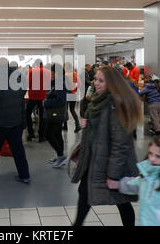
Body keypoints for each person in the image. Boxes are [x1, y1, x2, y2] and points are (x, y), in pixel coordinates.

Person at [71, 66, 142, 226]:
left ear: (112, 83)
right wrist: (89, 123)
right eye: (95, 79)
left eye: (101, 80)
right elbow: (102, 125)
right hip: (96, 159)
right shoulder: (98, 100)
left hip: (110, 163)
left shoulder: (116, 105)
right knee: (85, 193)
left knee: (121, 201)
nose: (96, 83)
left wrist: (113, 175)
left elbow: (121, 144)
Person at [44, 63, 68, 168]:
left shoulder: (60, 83)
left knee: (48, 134)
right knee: (57, 134)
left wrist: (45, 102)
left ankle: (60, 156)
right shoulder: (58, 82)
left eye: (52, 72)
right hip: (56, 113)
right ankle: (60, 156)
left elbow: (60, 100)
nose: (51, 74)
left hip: (55, 113)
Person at [26, 60, 51, 142]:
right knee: (42, 116)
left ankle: (30, 134)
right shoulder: (47, 72)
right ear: (41, 64)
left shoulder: (31, 71)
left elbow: (28, 83)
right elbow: (48, 84)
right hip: (42, 97)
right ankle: (41, 135)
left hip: (32, 96)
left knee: (28, 114)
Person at [63, 62, 81, 133]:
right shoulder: (74, 74)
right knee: (72, 110)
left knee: (65, 110)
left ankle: (65, 126)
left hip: (67, 94)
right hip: (74, 93)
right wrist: (74, 89)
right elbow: (79, 84)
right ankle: (77, 125)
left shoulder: (65, 75)